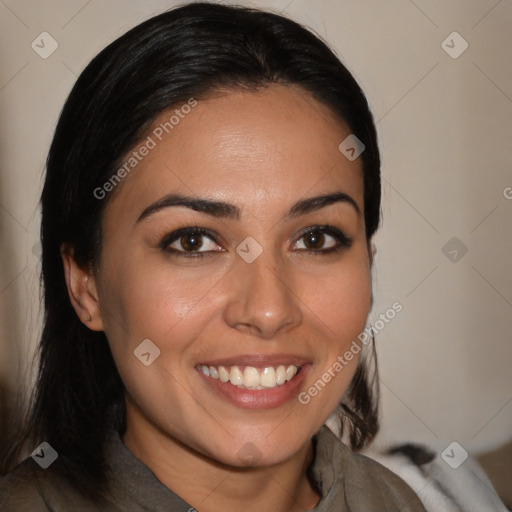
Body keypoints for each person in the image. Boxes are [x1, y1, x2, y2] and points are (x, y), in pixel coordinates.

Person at [0, 2, 428, 510]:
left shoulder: (392, 500)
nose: (268, 310)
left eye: (315, 239)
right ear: (85, 283)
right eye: (193, 241)